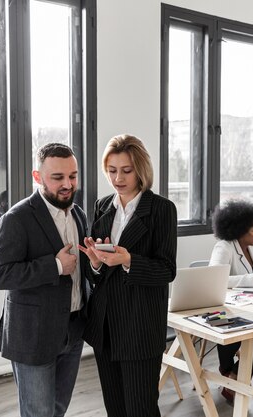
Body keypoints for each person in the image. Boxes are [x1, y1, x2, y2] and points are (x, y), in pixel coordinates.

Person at [79, 134, 177, 417]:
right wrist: (96, 263)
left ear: (141, 169)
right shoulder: (102, 206)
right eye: (111, 171)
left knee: (141, 408)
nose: (118, 178)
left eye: (126, 170)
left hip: (140, 326)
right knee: (115, 408)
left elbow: (167, 270)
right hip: (105, 325)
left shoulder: (161, 209)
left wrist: (129, 260)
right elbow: (94, 272)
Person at [0, 143, 90, 417]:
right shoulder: (16, 219)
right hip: (34, 335)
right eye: (58, 177)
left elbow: (81, 273)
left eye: (73, 175)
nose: (68, 184)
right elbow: (0, 275)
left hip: (73, 329)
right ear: (37, 177)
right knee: (38, 412)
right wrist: (56, 265)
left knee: (58, 408)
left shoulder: (78, 215)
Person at [208, 200, 253, 403]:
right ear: (239, 229)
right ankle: (229, 369)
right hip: (222, 310)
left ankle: (235, 375)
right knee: (247, 329)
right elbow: (214, 280)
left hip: (248, 306)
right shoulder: (224, 247)